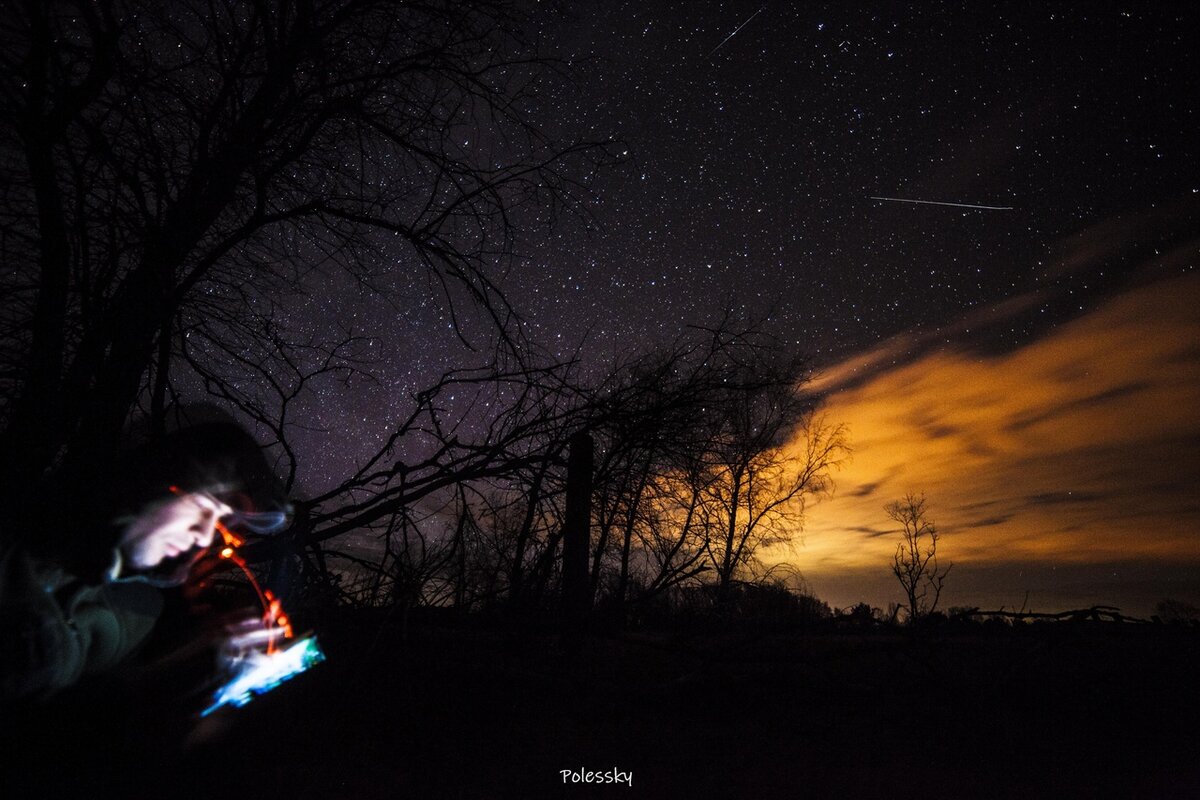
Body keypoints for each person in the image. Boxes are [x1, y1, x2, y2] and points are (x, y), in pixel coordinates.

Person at [0, 420, 290, 701]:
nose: (203, 538)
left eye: (218, 528)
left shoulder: (139, 613)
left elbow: (83, 722)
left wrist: (199, 664)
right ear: (157, 481)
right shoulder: (20, 532)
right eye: (204, 508)